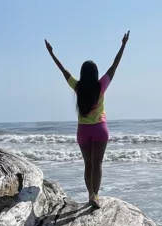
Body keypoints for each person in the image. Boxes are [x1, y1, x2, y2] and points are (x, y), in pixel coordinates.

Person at [45, 31, 129, 208]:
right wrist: (123, 45)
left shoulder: (77, 86)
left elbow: (63, 70)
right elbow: (115, 65)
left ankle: (90, 193)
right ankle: (95, 196)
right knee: (97, 164)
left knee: (88, 165)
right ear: (95, 73)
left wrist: (51, 53)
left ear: (82, 73)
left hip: (83, 131)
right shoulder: (101, 86)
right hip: (100, 129)